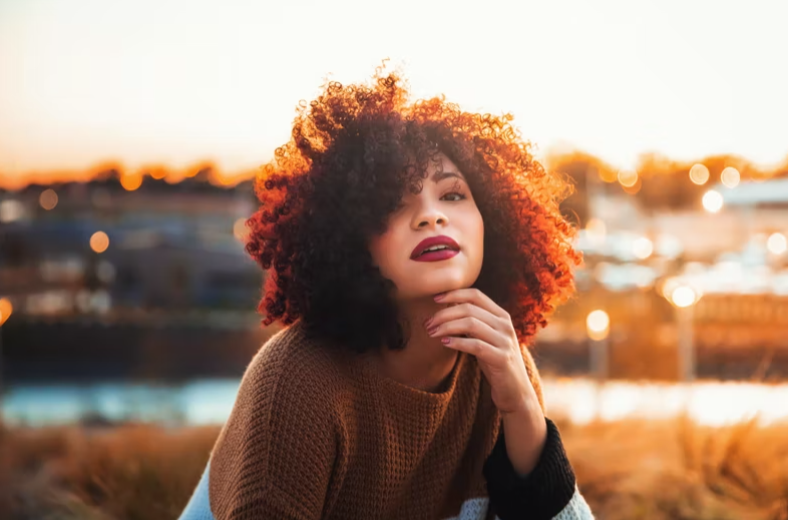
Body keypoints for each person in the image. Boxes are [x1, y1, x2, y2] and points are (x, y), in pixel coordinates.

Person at [179, 61, 593, 520]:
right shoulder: (298, 381)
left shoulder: (499, 362)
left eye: (452, 195)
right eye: (394, 203)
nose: (432, 216)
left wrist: (522, 410)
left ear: (492, 221)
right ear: (349, 239)